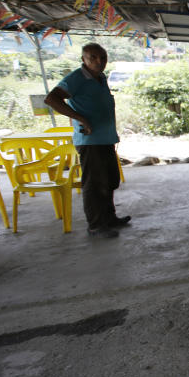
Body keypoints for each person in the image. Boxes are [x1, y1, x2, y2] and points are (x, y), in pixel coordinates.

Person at [45, 42, 130, 239]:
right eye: (93, 58)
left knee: (109, 180)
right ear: (83, 60)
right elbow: (51, 99)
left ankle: (109, 218)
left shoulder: (99, 77)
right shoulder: (76, 78)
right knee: (94, 184)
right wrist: (80, 118)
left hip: (105, 138)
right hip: (90, 140)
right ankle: (96, 225)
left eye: (103, 58)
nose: (99, 62)